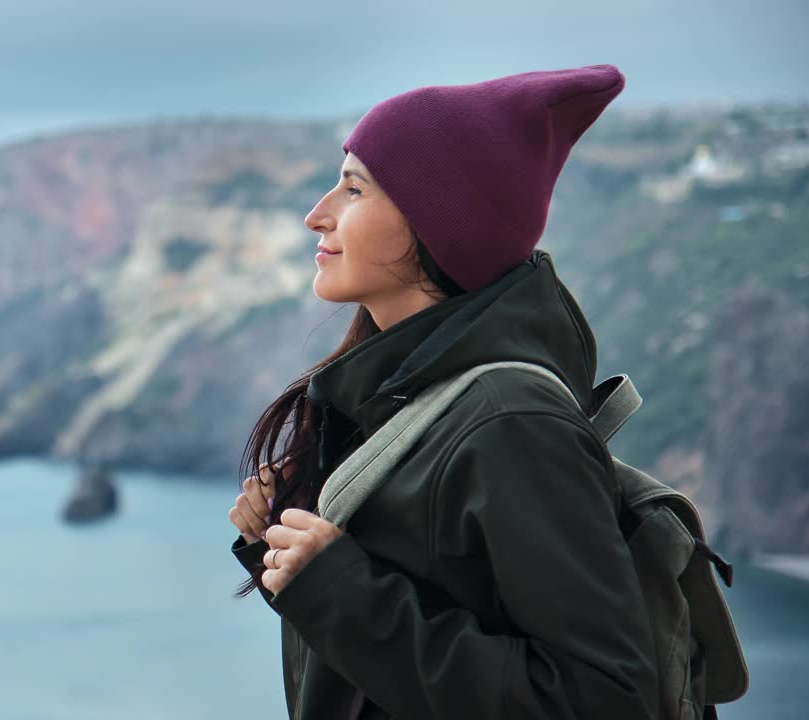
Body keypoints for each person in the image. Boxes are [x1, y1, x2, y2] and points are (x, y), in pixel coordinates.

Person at [226, 64, 659, 719]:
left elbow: (603, 701)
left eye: (353, 190)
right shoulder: (397, 400)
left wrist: (341, 590)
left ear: (437, 219)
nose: (317, 216)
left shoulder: (512, 427)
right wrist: (291, 554)